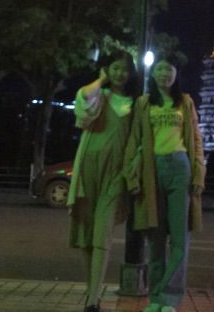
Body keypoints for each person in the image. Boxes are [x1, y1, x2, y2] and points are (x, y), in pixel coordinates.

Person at [123, 55, 205, 312]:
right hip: (152, 169)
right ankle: (156, 299)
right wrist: (131, 176)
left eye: (169, 70)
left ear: (176, 74)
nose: (164, 74)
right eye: (159, 69)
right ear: (153, 73)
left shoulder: (185, 102)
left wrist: (199, 174)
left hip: (180, 166)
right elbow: (134, 139)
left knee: (179, 239)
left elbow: (196, 140)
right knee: (155, 238)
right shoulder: (144, 103)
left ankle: (170, 298)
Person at [66, 51, 139, 312]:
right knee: (87, 234)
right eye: (115, 68)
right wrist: (101, 80)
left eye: (125, 69)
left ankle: (93, 299)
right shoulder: (100, 95)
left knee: (102, 233)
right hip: (88, 167)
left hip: (116, 173)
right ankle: (91, 293)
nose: (121, 73)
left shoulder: (134, 102)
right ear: (107, 69)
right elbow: (84, 98)